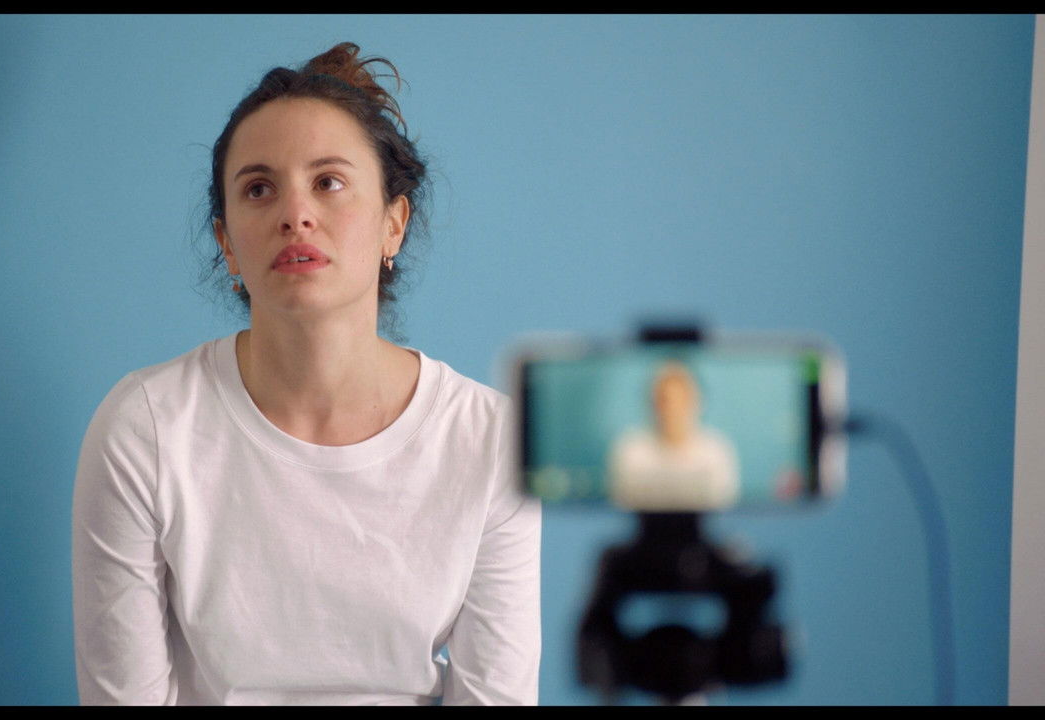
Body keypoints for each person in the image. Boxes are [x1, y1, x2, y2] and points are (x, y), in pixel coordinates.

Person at [71, 42, 541, 706]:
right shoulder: (145, 427)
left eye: (329, 182)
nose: (296, 214)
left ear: (393, 224)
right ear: (228, 244)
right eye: (259, 189)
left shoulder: (490, 438)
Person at [608, 361, 740, 512]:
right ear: (652, 403)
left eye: (681, 399)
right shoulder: (630, 450)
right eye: (664, 400)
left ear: (696, 401)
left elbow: (724, 507)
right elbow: (620, 506)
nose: (672, 409)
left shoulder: (717, 451)